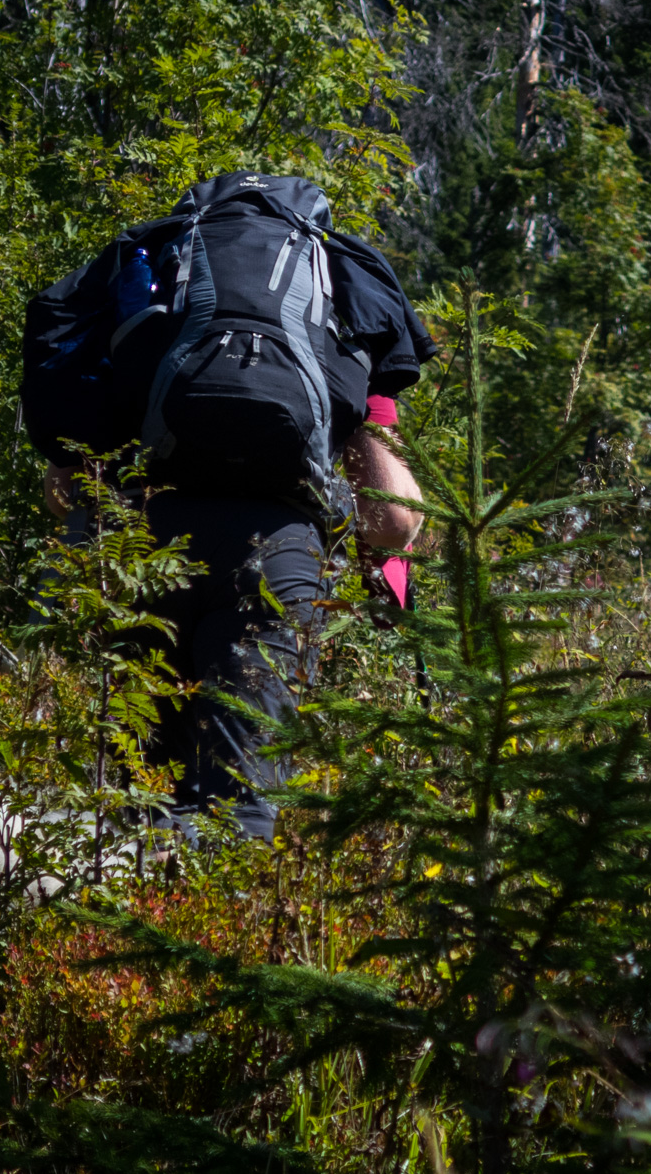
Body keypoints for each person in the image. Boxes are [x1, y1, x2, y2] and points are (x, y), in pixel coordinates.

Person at [22, 172, 436, 840]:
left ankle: (89, 936)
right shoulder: (341, 292)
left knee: (117, 804)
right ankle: (213, 926)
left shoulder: (144, 273)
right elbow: (391, 522)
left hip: (131, 555)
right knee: (235, 810)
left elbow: (68, 486)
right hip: (271, 557)